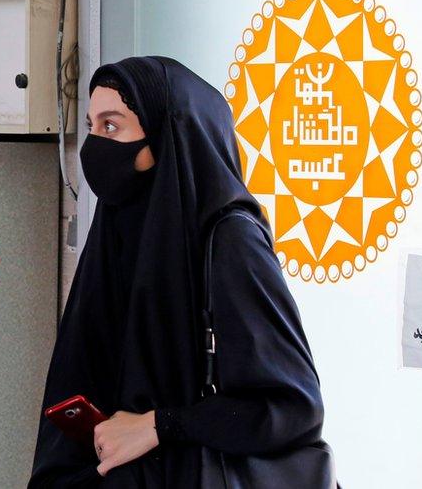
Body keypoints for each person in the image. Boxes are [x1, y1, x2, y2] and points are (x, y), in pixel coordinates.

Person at [29, 56, 326, 487]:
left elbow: (293, 407)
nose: (95, 146)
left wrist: (159, 425)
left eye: (112, 126)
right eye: (92, 126)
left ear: (168, 133)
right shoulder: (117, 228)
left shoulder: (228, 240)